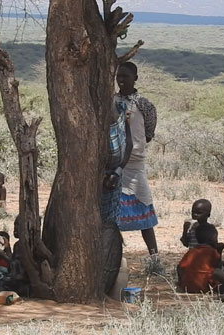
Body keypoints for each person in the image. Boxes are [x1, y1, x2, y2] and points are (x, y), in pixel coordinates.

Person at [115, 62, 161, 267]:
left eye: (126, 76)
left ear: (136, 78)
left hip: (134, 163)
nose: (121, 80)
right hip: (114, 160)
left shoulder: (144, 104)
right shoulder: (111, 101)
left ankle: (154, 258)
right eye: (119, 76)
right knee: (112, 211)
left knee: (144, 205)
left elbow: (149, 132)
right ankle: (113, 256)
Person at [101, 93, 133, 294]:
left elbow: (128, 145)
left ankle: (110, 285)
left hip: (113, 178)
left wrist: (117, 171)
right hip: (100, 178)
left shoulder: (120, 117)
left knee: (110, 227)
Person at [176, 223, 222, 293]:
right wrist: (220, 252)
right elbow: (219, 266)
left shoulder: (191, 252)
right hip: (206, 286)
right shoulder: (212, 252)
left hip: (188, 287)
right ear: (212, 239)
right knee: (220, 274)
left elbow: (180, 267)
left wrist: (181, 283)